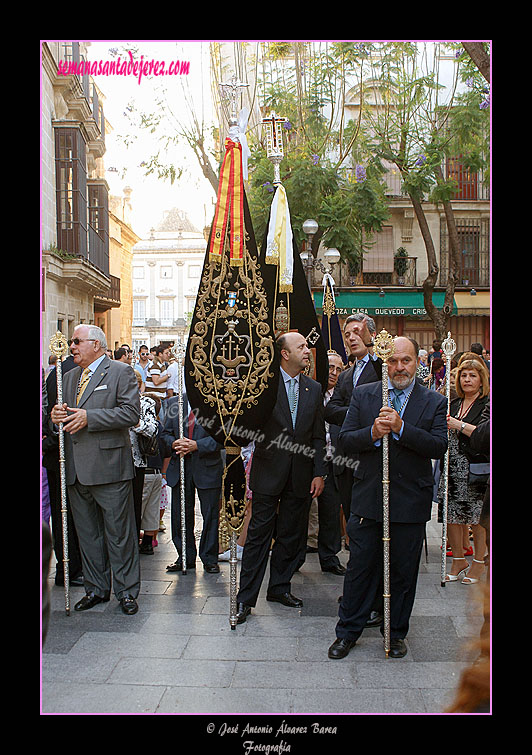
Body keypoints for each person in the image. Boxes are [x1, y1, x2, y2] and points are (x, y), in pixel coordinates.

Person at [327, 337, 448, 660]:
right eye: (393, 361)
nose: (399, 367)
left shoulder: (433, 401)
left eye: (405, 360)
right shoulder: (366, 395)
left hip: (410, 501)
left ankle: (395, 633)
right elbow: (347, 441)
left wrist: (401, 427)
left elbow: (438, 446)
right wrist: (373, 434)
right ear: (386, 362)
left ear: (417, 363)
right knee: (360, 568)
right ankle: (348, 632)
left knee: (403, 571)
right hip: (368, 497)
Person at [235, 332, 327, 624]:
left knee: (291, 535)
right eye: (300, 347)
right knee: (259, 537)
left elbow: (317, 436)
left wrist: (319, 472)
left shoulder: (313, 388)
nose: (307, 350)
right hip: (268, 471)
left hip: (300, 475)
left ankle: (279, 588)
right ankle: (245, 599)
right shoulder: (263, 385)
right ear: (285, 354)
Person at [50, 324, 141, 615]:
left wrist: (92, 417)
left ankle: (126, 591)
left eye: (77, 341)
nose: (72, 346)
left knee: (119, 534)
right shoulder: (69, 376)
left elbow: (131, 413)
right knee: (88, 535)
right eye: (71, 341)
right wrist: (56, 416)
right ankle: (96, 589)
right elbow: (64, 415)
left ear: (97, 345)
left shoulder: (119, 372)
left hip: (109, 468)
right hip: (76, 469)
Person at [439, 358, 490, 584]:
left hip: (475, 466)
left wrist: (458, 425)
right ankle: (458, 559)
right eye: (463, 375)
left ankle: (479, 562)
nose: (467, 380)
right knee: (452, 515)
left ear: (481, 380)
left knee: (476, 517)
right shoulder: (454, 402)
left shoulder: (486, 403)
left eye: (472, 376)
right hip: (451, 465)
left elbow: (483, 434)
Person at [161, 393, 223, 574]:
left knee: (210, 514)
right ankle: (184, 557)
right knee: (180, 515)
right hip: (181, 466)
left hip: (207, 466)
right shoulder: (174, 403)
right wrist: (174, 443)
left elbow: (223, 437)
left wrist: (197, 445)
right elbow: (164, 435)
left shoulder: (215, 402)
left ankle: (209, 558)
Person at [301, 350, 346, 575]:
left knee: (330, 512)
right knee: (300, 510)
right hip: (307, 459)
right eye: (330, 367)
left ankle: (329, 558)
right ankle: (295, 557)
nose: (334, 373)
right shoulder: (309, 391)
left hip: (333, 461)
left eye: (338, 369)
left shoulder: (341, 396)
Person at [129, 370, 159, 541]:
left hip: (136, 462)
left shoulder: (145, 402)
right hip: (111, 461)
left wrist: (133, 420)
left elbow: (152, 428)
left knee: (135, 509)